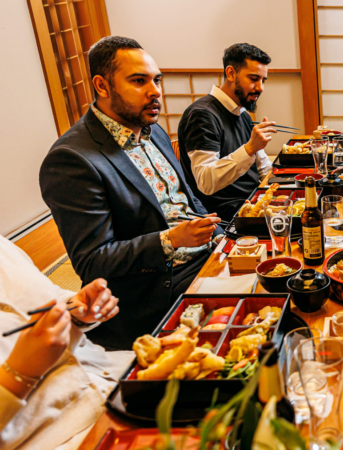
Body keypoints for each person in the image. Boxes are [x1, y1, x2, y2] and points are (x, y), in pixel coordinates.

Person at [40, 36, 222, 350]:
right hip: (157, 288)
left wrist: (219, 234)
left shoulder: (155, 132)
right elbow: (92, 261)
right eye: (139, 81)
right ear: (102, 85)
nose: (155, 92)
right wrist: (171, 239)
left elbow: (188, 200)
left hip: (208, 257)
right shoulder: (72, 159)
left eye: (157, 80)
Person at [0, 235, 130, 450]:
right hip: (57, 436)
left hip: (109, 375)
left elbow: (48, 296)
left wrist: (77, 309)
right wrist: (20, 372)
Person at [178, 43, 276, 221]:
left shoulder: (242, 113)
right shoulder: (202, 115)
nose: (260, 87)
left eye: (263, 80)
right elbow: (205, 182)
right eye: (254, 78)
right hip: (226, 215)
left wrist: (281, 186)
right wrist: (249, 149)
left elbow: (264, 168)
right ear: (231, 73)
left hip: (255, 202)